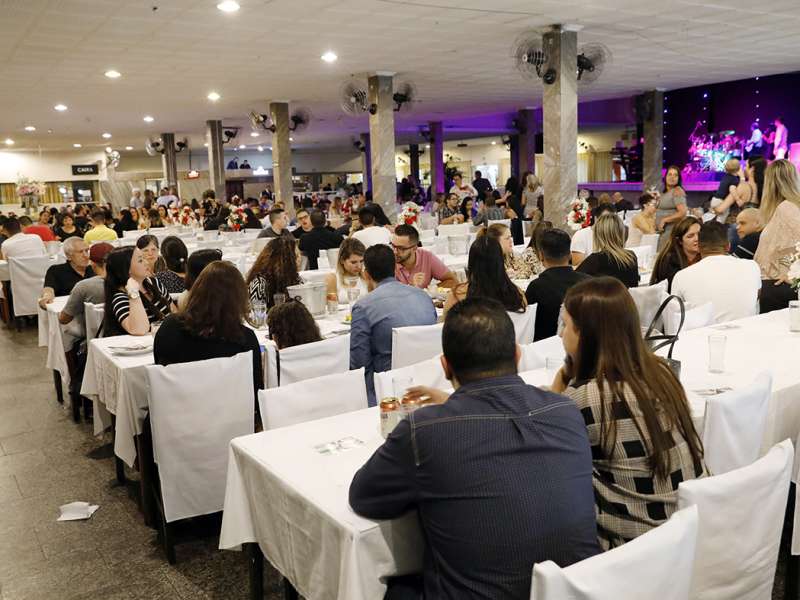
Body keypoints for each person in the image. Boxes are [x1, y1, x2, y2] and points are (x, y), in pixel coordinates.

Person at [350, 297, 600, 599]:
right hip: (576, 592)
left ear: (445, 366)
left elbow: (364, 497)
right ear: (518, 354)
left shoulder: (424, 431)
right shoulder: (566, 411)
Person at [550, 277, 705, 549]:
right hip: (687, 526)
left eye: (566, 325)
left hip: (634, 548)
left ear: (585, 335)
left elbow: (549, 450)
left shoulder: (583, 399)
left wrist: (563, 380)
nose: (562, 334)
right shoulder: (661, 373)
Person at [154, 261, 263, 401]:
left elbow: (160, 372)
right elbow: (254, 391)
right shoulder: (244, 338)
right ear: (238, 299)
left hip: (173, 413)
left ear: (197, 290)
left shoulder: (169, 327)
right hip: (228, 416)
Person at [349, 244, 437, 405]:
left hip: (389, 391)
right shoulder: (423, 296)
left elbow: (359, 366)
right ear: (395, 269)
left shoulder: (364, 307)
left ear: (366, 274)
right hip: (431, 383)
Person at [671, 221, 761, 323]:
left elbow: (674, 317)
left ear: (699, 248)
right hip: (747, 334)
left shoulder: (682, 276)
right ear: (728, 246)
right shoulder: (752, 267)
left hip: (702, 336)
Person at [525, 228, 590, 341]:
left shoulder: (536, 287)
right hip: (585, 343)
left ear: (541, 255)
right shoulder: (588, 282)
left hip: (545, 348)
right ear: (570, 255)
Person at [754, 159, 800, 312]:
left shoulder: (786, 208)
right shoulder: (785, 207)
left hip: (778, 287)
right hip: (775, 284)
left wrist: (793, 276)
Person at [443, 235, 527, 316]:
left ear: (471, 264)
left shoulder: (457, 296)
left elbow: (443, 328)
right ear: (500, 263)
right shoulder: (517, 295)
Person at [103, 246, 172, 337]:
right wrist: (133, 293)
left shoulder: (154, 283)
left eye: (145, 258)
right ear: (127, 270)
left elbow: (174, 313)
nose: (147, 262)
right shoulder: (121, 297)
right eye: (140, 260)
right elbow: (139, 330)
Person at [58, 242, 113, 348]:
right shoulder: (130, 282)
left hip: (96, 339)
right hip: (126, 333)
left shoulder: (84, 286)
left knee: (66, 333)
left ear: (92, 263)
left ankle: (67, 364)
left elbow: (64, 319)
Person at [577, 214, 639, 288]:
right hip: (626, 298)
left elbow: (574, 281)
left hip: (603, 299)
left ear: (598, 235)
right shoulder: (631, 256)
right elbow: (634, 286)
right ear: (621, 233)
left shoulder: (595, 259)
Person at [392, 224, 457, 289]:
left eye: (401, 248)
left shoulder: (427, 257)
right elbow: (387, 294)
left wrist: (429, 290)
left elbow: (452, 281)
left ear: (414, 248)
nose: (395, 252)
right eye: (393, 246)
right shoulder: (388, 260)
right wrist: (412, 287)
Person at [246, 237, 302, 309]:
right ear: (285, 261)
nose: (300, 260)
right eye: (296, 256)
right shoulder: (259, 284)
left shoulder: (295, 278)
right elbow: (256, 315)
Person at [38, 237, 95, 308]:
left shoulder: (94, 268)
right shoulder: (56, 270)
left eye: (87, 251)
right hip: (68, 311)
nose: (86, 256)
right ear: (68, 256)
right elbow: (49, 288)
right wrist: (47, 296)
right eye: (80, 252)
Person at [650, 216, 701, 291]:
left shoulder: (706, 257)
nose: (697, 239)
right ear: (680, 241)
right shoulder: (669, 261)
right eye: (690, 236)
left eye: (699, 234)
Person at [325, 238, 369, 303]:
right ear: (342, 260)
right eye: (353, 262)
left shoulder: (367, 276)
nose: (359, 266)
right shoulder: (332, 279)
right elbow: (331, 307)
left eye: (361, 261)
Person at [655, 166, 688, 248]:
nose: (672, 177)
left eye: (675, 175)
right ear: (665, 177)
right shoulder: (666, 192)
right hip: (663, 232)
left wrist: (664, 220)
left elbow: (682, 212)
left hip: (670, 232)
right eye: (670, 174)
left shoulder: (677, 191)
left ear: (678, 179)